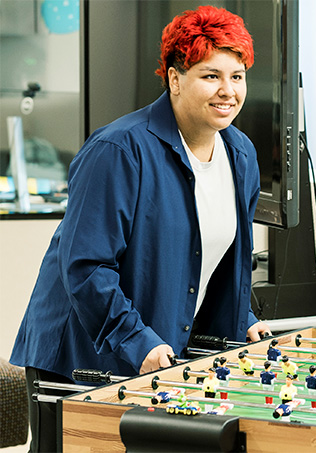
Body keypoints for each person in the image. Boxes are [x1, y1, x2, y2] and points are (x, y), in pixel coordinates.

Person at [10, 6, 272, 451]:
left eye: (238, 76)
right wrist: (136, 339)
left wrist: (241, 318)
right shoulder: (118, 149)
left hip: (160, 353)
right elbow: (87, 266)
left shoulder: (241, 154)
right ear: (174, 79)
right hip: (80, 358)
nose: (228, 91)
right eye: (210, 76)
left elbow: (223, 260)